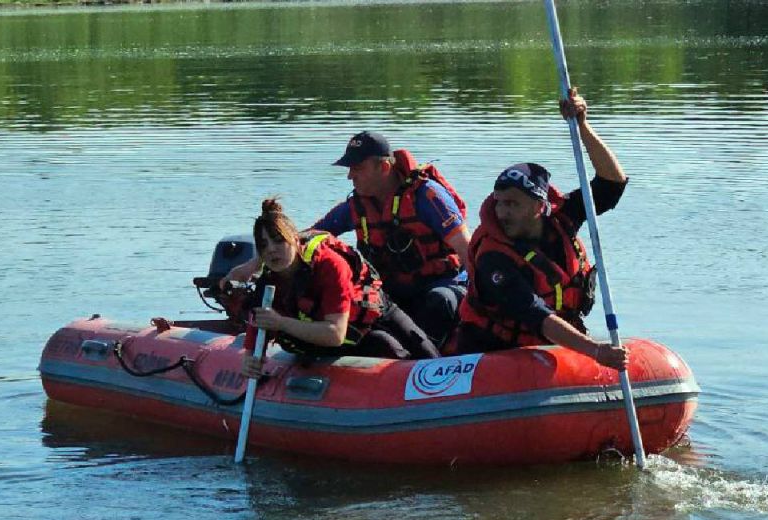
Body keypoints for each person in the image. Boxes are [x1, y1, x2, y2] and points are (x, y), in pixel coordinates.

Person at [228, 132, 470, 347]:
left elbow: (466, 249)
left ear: (383, 167)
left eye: (357, 168)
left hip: (443, 284)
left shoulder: (428, 196)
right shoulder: (356, 206)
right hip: (393, 289)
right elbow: (303, 238)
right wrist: (255, 263)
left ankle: (436, 364)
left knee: (437, 301)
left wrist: (482, 302)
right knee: (364, 308)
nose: (350, 176)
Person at [451, 89, 628, 371]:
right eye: (499, 203)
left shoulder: (561, 219)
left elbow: (612, 183)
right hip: (494, 351)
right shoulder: (492, 256)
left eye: (513, 204)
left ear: (538, 206)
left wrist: (582, 125)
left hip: (550, 345)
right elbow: (536, 315)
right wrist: (595, 351)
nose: (502, 212)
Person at [221, 198, 439, 378]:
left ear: (295, 240)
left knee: (426, 354)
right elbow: (256, 329)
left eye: (278, 241)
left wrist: (280, 323)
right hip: (330, 341)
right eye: (263, 245)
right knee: (382, 344)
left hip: (366, 316)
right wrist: (250, 358)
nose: (271, 250)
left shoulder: (330, 265)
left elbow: (335, 334)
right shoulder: (268, 281)